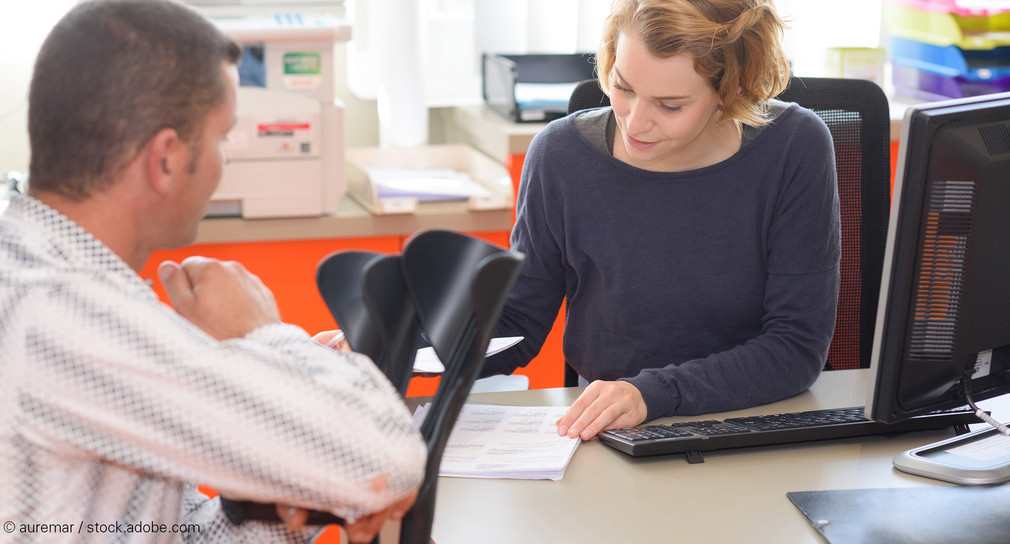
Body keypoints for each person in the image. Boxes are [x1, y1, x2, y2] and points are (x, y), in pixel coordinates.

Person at [0, 1, 425, 542]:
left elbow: (171, 528)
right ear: (167, 160)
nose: (227, 161)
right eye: (222, 137)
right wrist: (264, 338)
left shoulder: (55, 280)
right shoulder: (60, 315)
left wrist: (281, 498)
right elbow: (388, 458)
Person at [484, 0, 841, 441]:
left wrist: (651, 393)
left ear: (729, 91)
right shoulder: (559, 156)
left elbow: (796, 347)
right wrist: (404, 345)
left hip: (753, 425)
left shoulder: (794, 148)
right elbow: (517, 321)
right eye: (623, 87)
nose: (635, 122)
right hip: (607, 433)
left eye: (669, 105)